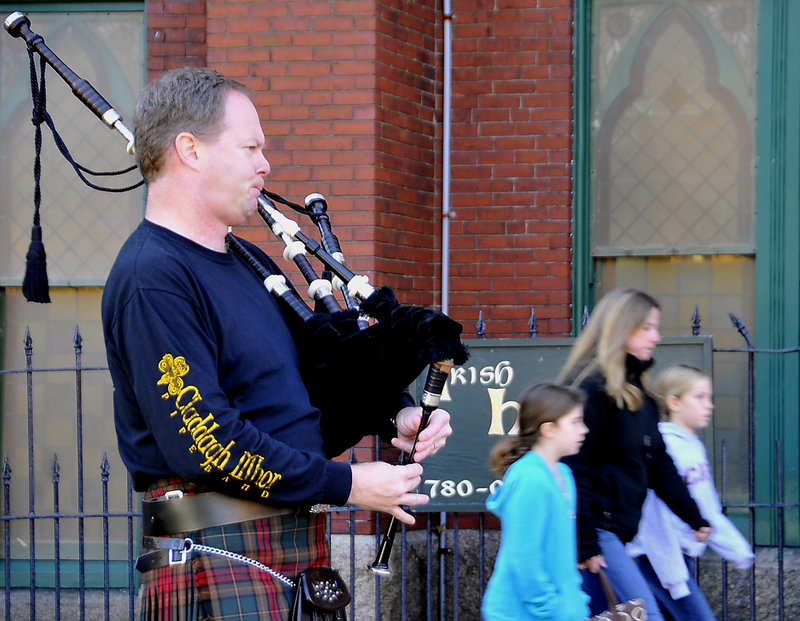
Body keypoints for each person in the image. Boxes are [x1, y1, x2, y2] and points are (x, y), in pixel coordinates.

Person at [101, 67, 454, 620]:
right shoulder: (154, 277)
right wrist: (349, 484)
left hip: (286, 547)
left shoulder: (246, 258)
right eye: (250, 148)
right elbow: (206, 443)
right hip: (212, 550)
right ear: (190, 150)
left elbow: (306, 380)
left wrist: (393, 416)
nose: (265, 165)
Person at [556, 288, 711, 620]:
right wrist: (585, 543)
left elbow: (659, 464)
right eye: (647, 328)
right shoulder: (589, 390)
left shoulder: (640, 394)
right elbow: (573, 468)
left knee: (609, 615)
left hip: (617, 532)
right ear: (620, 329)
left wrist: (693, 516)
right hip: (597, 530)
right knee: (643, 615)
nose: (656, 337)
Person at [627, 364, 754, 620]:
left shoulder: (693, 446)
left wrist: (736, 549)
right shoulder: (666, 447)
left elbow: (707, 509)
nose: (709, 405)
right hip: (658, 560)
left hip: (676, 559)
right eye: (699, 397)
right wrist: (737, 550)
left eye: (709, 398)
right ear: (674, 402)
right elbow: (653, 510)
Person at [481, 382, 591, 621]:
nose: (584, 430)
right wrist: (551, 608)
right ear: (549, 429)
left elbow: (562, 554)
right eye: (575, 422)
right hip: (521, 614)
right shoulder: (531, 479)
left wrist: (575, 601)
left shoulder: (564, 474)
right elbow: (524, 556)